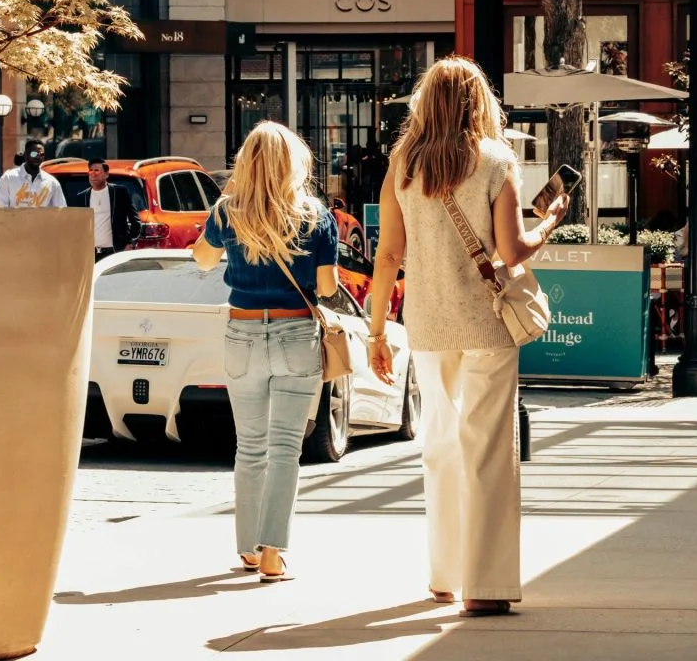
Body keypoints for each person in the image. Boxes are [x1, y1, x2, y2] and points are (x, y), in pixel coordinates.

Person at [366, 56, 569, 618]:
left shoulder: (403, 161)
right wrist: (551, 220)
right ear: (478, 104)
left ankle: (444, 575)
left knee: (441, 445)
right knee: (487, 452)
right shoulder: (496, 160)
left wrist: (377, 332)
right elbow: (512, 252)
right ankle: (484, 584)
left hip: (429, 325)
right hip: (485, 324)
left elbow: (388, 255)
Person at [192, 121, 339, 583]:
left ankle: (247, 549)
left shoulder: (227, 212)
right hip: (296, 333)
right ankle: (273, 552)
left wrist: (233, 198)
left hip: (243, 333)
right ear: (293, 163)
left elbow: (201, 259)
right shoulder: (316, 214)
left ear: (245, 164)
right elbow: (328, 287)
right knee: (284, 449)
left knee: (249, 446)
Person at [77, 159, 142, 262]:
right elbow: (77, 227)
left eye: (97, 171)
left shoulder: (120, 192)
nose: (93, 174)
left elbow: (135, 221)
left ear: (106, 174)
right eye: (91, 171)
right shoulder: (82, 197)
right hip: (91, 254)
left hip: (115, 251)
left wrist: (130, 243)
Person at [0, 138, 66, 209]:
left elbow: (61, 212)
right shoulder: (8, 178)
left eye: (41, 154)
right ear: (25, 155)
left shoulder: (52, 183)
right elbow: (0, 210)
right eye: (34, 154)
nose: (38, 157)